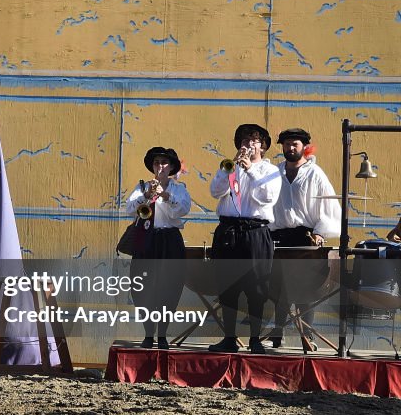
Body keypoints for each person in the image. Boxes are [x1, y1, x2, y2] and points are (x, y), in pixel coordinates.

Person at [208, 123, 282, 354]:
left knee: (256, 288)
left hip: (255, 232)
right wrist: (229, 169)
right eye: (244, 140)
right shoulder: (231, 167)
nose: (248, 144)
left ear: (263, 145)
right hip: (229, 231)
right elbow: (215, 192)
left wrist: (250, 169)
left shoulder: (271, 171)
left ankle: (255, 340)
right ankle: (229, 338)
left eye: (254, 140)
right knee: (227, 287)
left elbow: (267, 198)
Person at [268, 128, 341, 348]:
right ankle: (277, 333)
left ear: (304, 147)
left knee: (305, 288)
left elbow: (329, 207)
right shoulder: (274, 173)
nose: (290, 148)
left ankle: (307, 335)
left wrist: (320, 233)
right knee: (279, 286)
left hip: (305, 237)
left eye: (295, 144)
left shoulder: (315, 173)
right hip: (279, 236)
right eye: (287, 144)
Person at [125, 147, 191, 349]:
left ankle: (162, 334)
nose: (159, 166)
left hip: (169, 240)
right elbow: (129, 210)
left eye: (163, 163)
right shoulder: (142, 186)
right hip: (146, 240)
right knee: (142, 288)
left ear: (170, 167)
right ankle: (148, 332)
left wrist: (166, 196)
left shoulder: (179, 189)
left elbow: (181, 211)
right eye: (156, 163)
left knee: (169, 287)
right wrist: (146, 195)